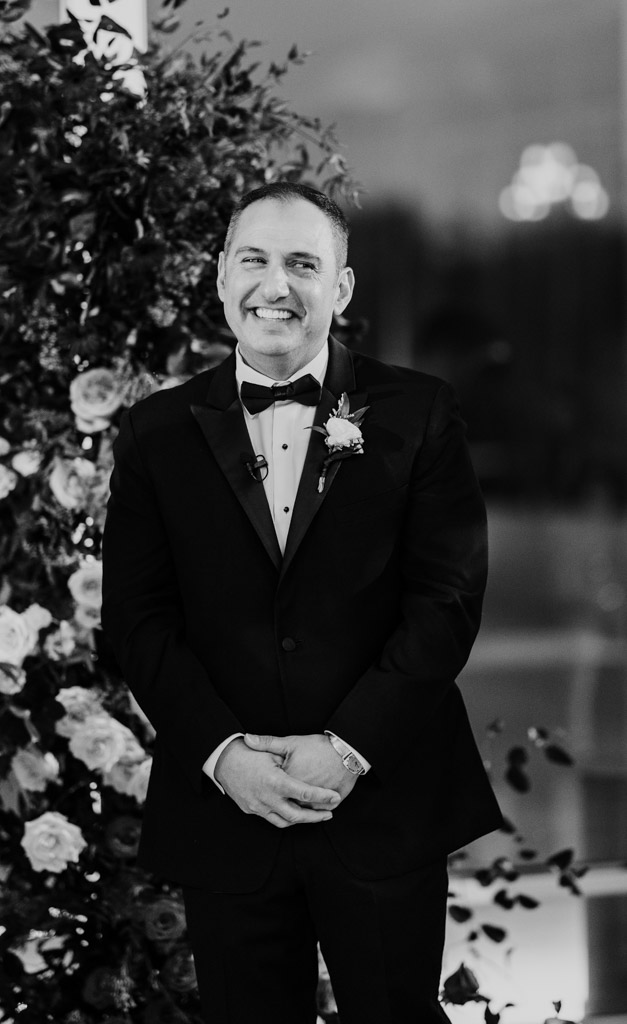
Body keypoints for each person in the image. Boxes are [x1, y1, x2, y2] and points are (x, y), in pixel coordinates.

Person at [101, 181, 503, 1024]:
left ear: (341, 288)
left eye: (300, 264)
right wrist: (225, 758)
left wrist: (349, 745)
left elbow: (447, 599)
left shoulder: (418, 413)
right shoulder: (152, 433)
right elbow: (139, 623)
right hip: (229, 808)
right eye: (253, 260)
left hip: (381, 796)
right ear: (219, 276)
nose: (273, 285)